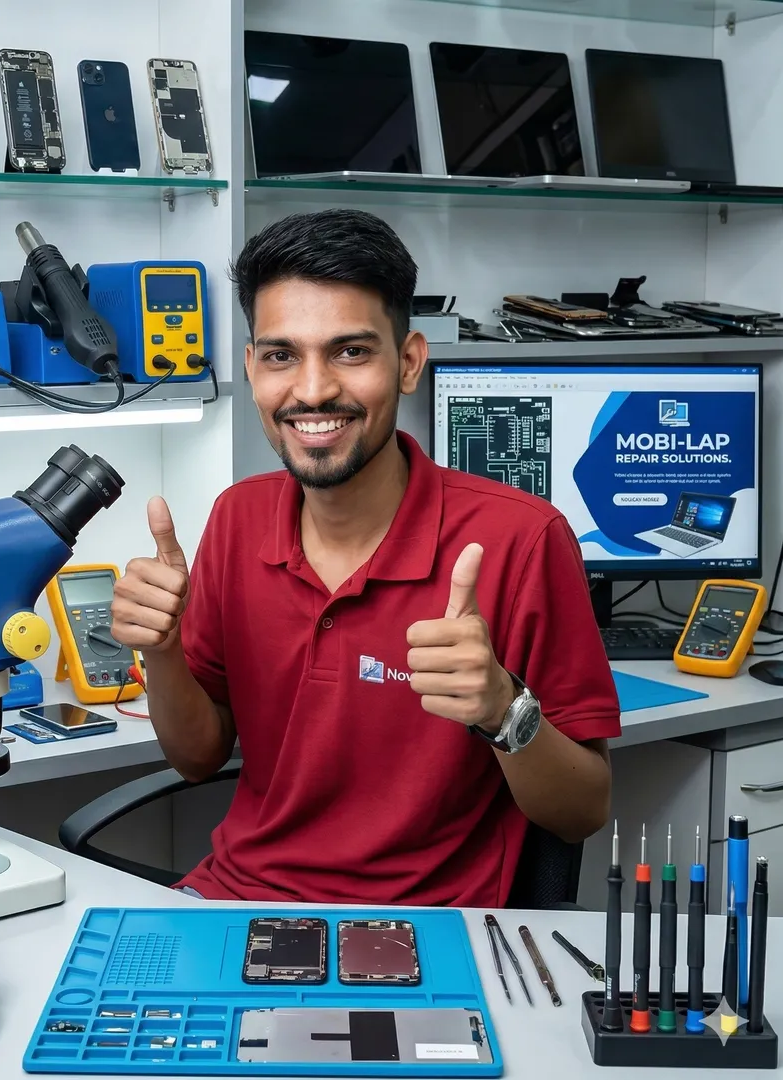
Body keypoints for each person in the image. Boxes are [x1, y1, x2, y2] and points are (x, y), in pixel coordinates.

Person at [110, 208, 621, 907]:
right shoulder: (238, 517)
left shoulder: (520, 539)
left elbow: (583, 810)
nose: (313, 390)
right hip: (239, 903)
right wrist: (162, 651)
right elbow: (197, 759)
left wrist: (504, 710)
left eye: (351, 352)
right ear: (252, 367)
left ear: (408, 362)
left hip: (429, 934)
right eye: (282, 355)